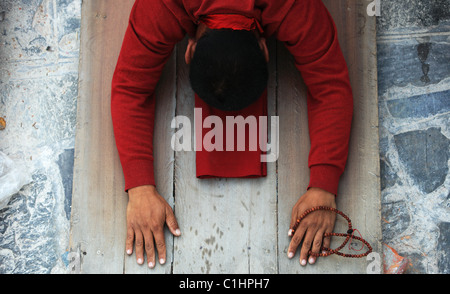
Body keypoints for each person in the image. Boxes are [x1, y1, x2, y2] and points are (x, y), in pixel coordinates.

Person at [111, 0, 353, 269]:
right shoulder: (161, 6)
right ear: (265, 49)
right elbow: (130, 88)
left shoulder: (296, 7)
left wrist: (324, 185)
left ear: (189, 50)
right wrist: (139, 185)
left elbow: (331, 87)